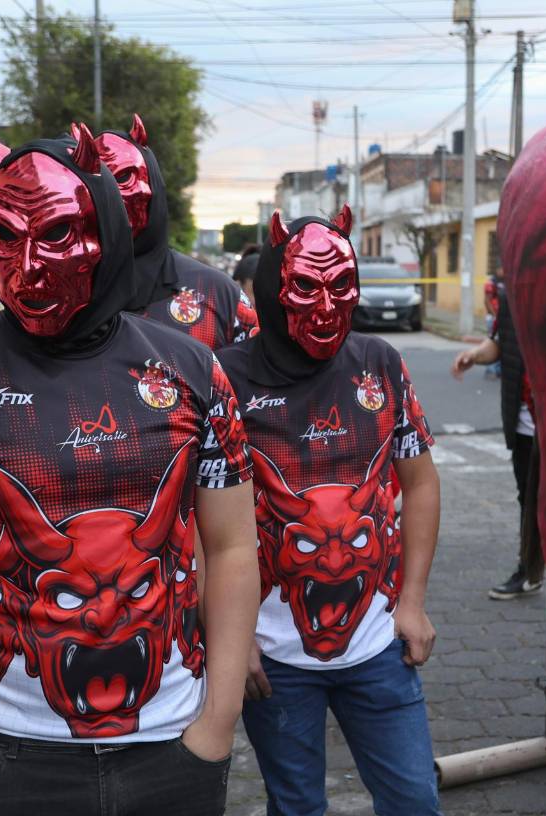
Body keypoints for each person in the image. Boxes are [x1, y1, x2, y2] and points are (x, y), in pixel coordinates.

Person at [0, 126, 259, 814]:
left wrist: (215, 724)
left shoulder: (193, 371)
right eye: (6, 236)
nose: (30, 265)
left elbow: (232, 545)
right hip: (3, 758)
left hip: (172, 749)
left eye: (57, 233)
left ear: (105, 227)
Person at [218, 206, 442, 816]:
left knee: (415, 799)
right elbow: (198, 521)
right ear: (273, 288)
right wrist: (232, 639)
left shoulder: (380, 363)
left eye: (341, 286)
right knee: (296, 807)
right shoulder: (226, 379)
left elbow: (419, 484)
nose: (324, 308)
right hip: (274, 657)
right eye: (305, 288)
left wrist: (414, 601)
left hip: (378, 648)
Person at [95, 113, 258, 350]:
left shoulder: (218, 294)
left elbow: (251, 379)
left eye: (123, 178)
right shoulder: (59, 299)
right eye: (100, 183)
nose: (113, 196)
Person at [452, 282, 543, 599]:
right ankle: (529, 570)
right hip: (523, 423)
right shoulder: (512, 296)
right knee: (527, 500)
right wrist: (475, 355)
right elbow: (499, 344)